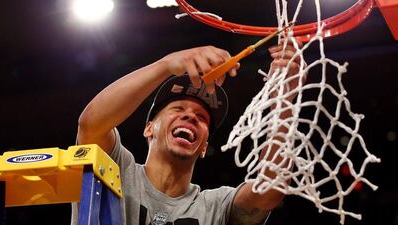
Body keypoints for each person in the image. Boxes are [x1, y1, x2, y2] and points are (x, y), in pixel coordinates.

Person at [71, 41, 303, 225]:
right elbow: (91, 124)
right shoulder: (117, 170)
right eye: (178, 109)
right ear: (149, 128)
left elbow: (268, 192)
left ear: (204, 147)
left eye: (201, 118)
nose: (191, 116)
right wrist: (166, 64)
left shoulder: (214, 207)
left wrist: (282, 103)